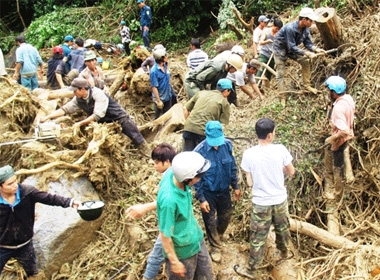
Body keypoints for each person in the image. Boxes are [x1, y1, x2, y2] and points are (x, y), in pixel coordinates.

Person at [235, 118, 295, 278]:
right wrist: (278, 169)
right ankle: (284, 252)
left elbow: (249, 181)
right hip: (279, 200)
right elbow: (291, 171)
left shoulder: (248, 154)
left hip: (261, 202)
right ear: (269, 135)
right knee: (282, 229)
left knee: (258, 236)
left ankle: (251, 269)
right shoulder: (281, 150)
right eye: (274, 132)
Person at [0, 165, 80, 279]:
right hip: (3, 247)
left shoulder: (27, 192)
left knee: (33, 274)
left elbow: (49, 198)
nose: (15, 185)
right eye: (9, 184)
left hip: (25, 245)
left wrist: (70, 202)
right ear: (0, 187)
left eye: (15, 181)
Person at [40, 77, 151, 157]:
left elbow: (97, 115)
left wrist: (80, 123)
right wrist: (48, 117)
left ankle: (148, 156)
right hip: (103, 124)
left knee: (136, 137)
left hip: (119, 118)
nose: (74, 93)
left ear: (83, 89)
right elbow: (65, 109)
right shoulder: (78, 99)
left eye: (75, 91)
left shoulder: (97, 94)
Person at [157, 151, 214, 279]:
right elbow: (165, 235)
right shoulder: (169, 200)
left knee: (207, 276)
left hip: (195, 238)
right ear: (187, 178)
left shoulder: (175, 172)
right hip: (182, 252)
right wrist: (174, 261)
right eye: (197, 177)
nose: (199, 179)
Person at [125, 143, 176, 280]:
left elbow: (168, 200)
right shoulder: (174, 173)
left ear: (167, 162)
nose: (154, 166)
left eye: (157, 163)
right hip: (175, 221)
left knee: (154, 258)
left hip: (170, 223)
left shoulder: (171, 178)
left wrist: (145, 207)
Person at [193, 121, 241, 263]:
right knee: (209, 220)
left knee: (226, 215)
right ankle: (215, 247)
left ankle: (218, 234)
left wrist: (236, 186)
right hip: (208, 191)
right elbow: (197, 179)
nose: (216, 144)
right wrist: (201, 199)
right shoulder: (199, 152)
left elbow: (232, 167)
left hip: (224, 189)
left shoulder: (227, 145)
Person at [272, 7, 325, 94]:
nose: (312, 23)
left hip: (291, 48)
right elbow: (292, 47)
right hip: (280, 49)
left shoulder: (306, 29)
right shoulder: (290, 28)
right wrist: (307, 53)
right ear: (304, 19)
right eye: (310, 21)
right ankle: (282, 96)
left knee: (305, 61)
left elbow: (308, 44)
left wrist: (316, 49)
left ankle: (307, 86)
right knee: (280, 74)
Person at [323, 76, 355, 200]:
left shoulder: (338, 109)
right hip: (346, 137)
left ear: (334, 92)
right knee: (330, 152)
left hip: (341, 140)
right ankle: (329, 175)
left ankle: (337, 194)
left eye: (329, 91)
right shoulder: (348, 99)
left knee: (338, 167)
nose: (327, 93)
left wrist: (334, 138)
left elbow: (344, 131)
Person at [182, 78, 233, 151]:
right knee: (202, 159)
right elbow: (223, 124)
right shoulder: (224, 102)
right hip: (204, 133)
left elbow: (185, 108)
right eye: (230, 91)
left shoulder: (201, 93)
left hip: (188, 129)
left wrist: (188, 123)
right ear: (226, 91)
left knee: (188, 156)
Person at [256, 18, 283, 87]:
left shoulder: (279, 34)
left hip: (273, 56)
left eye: (279, 29)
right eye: (276, 28)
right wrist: (267, 41)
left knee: (268, 74)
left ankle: (266, 89)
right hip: (264, 54)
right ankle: (257, 86)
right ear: (273, 25)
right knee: (260, 69)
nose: (277, 30)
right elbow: (261, 42)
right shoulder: (266, 31)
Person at [150, 48, 174, 119]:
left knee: (167, 115)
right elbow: (154, 87)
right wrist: (158, 101)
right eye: (165, 56)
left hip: (167, 95)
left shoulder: (164, 65)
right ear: (161, 58)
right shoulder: (154, 71)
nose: (166, 57)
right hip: (160, 97)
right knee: (158, 117)